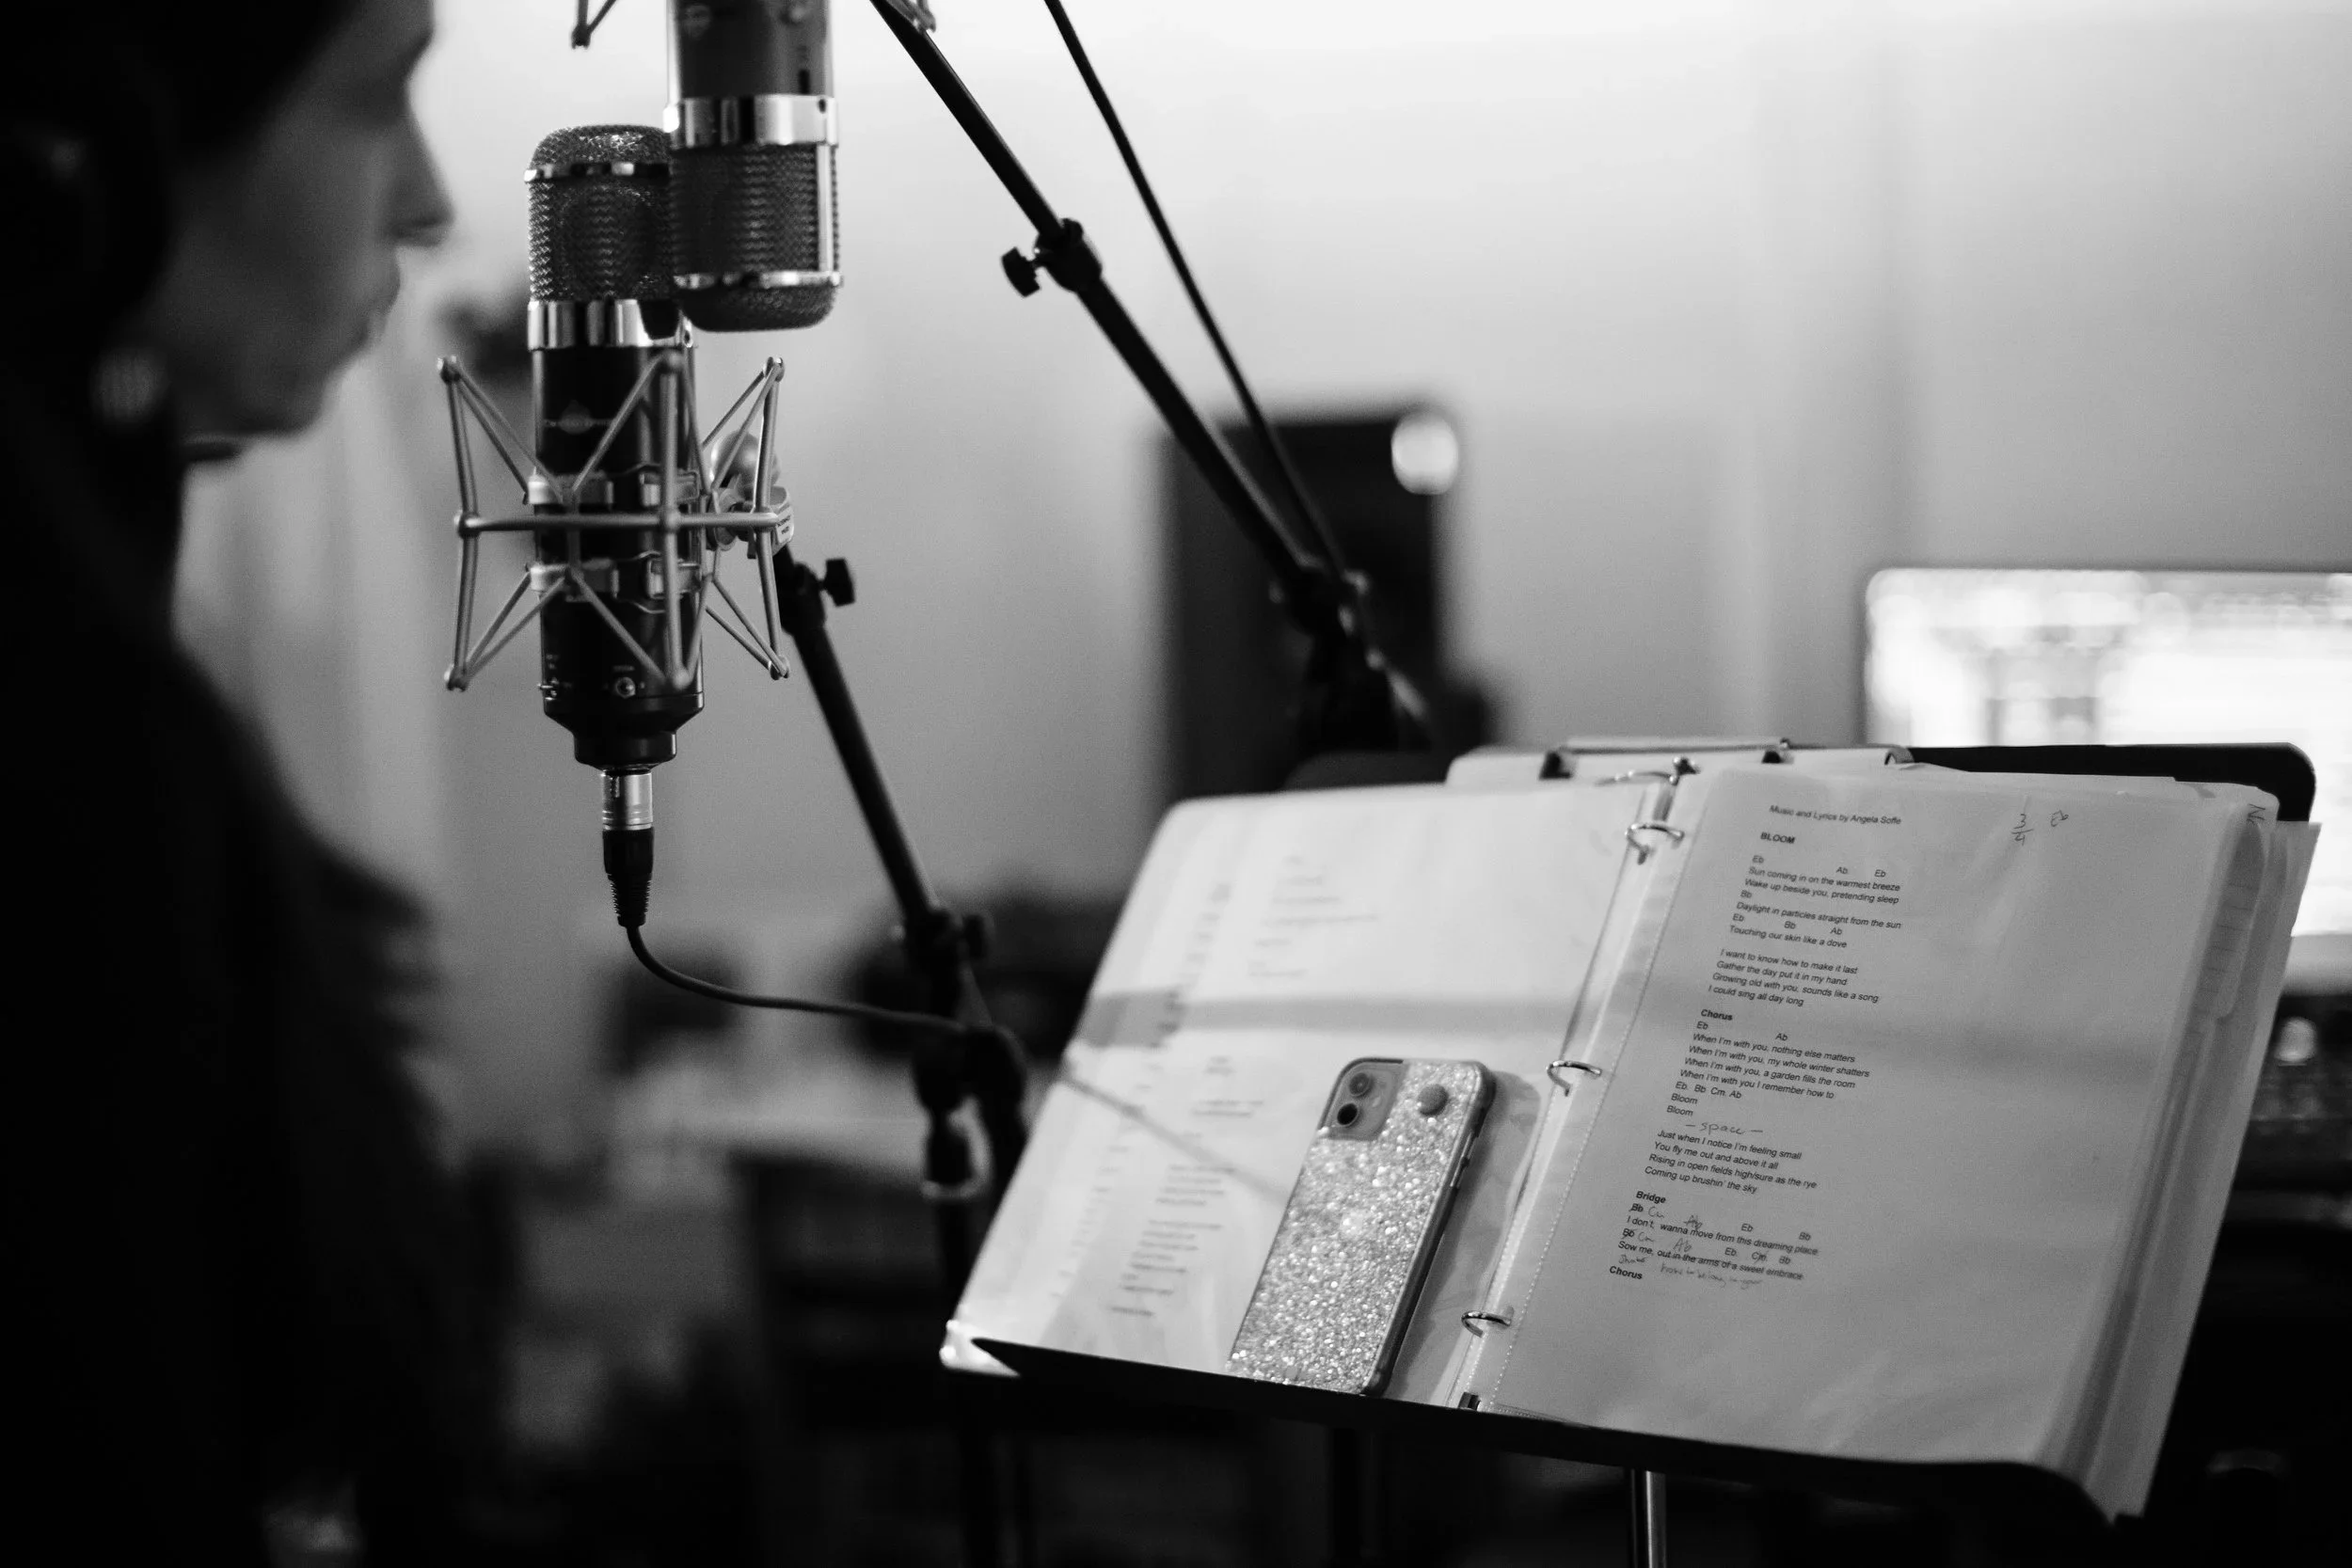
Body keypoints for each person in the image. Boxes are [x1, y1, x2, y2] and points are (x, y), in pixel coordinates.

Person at [2, 2, 477, 1560]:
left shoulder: (96, 624)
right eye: (372, 96)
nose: (426, 196)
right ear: (103, 141)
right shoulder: (55, 736)